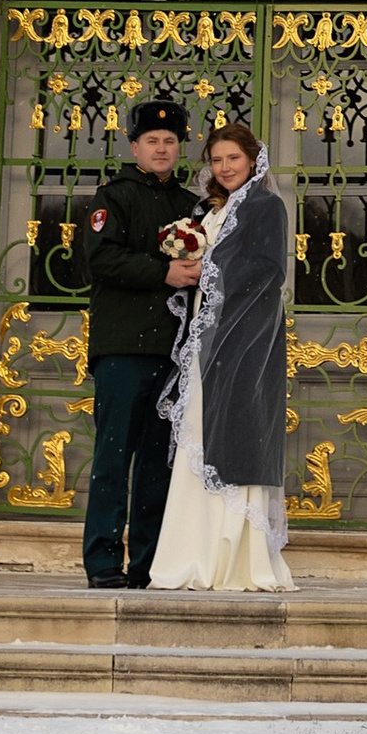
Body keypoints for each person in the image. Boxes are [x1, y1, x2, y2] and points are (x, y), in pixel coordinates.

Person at [148, 118, 293, 592]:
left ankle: (232, 558)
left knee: (232, 439)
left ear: (252, 159)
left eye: (234, 158)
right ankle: (193, 554)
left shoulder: (266, 206)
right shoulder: (210, 208)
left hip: (241, 342)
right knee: (199, 436)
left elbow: (267, 270)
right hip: (204, 343)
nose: (226, 167)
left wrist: (208, 266)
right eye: (217, 159)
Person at [78, 97, 203, 589]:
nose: (162, 148)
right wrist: (163, 272)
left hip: (173, 352)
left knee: (158, 465)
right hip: (124, 347)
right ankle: (104, 562)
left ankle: (149, 565)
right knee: (113, 459)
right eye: (152, 140)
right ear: (134, 145)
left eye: (170, 140)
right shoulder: (113, 198)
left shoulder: (189, 205)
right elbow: (101, 260)